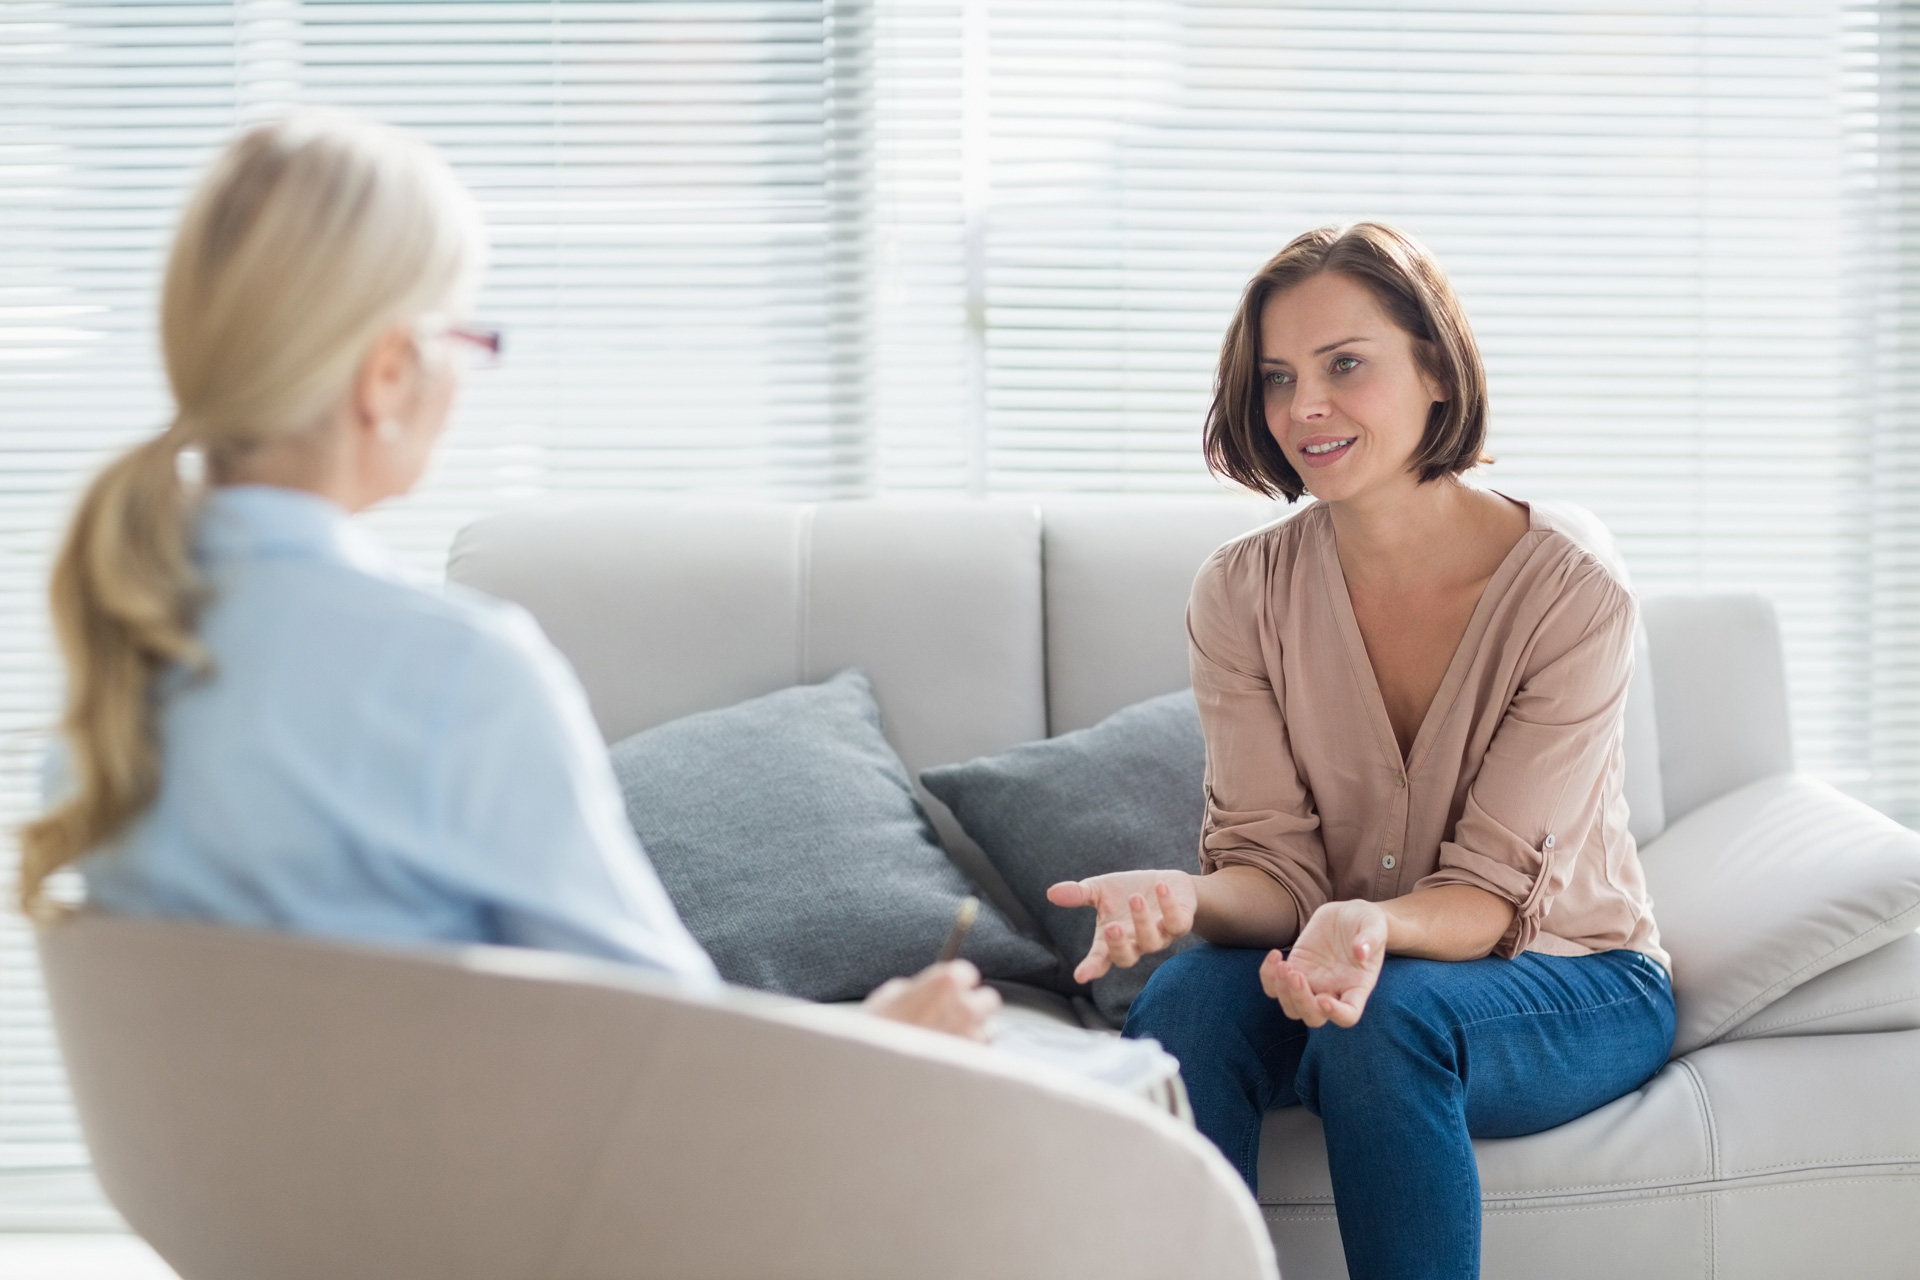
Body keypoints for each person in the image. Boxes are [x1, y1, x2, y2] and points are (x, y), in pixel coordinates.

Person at [19, 110, 998, 1044]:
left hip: (240, 1218)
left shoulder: (116, 678)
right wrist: (879, 1040)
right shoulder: (453, 673)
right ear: (388, 374)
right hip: (472, 1216)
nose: (465, 376)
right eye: (462, 337)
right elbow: (667, 1057)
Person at [1045, 223, 1674, 1280]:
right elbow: (1277, 872)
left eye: (1346, 364)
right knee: (1186, 998)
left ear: (1434, 364)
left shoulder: (1571, 595)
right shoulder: (1239, 593)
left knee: (1386, 1019)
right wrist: (1187, 900)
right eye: (1278, 378)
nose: (1304, 409)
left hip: (1568, 973)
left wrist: (1369, 922)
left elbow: (1484, 897)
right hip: (1339, 961)